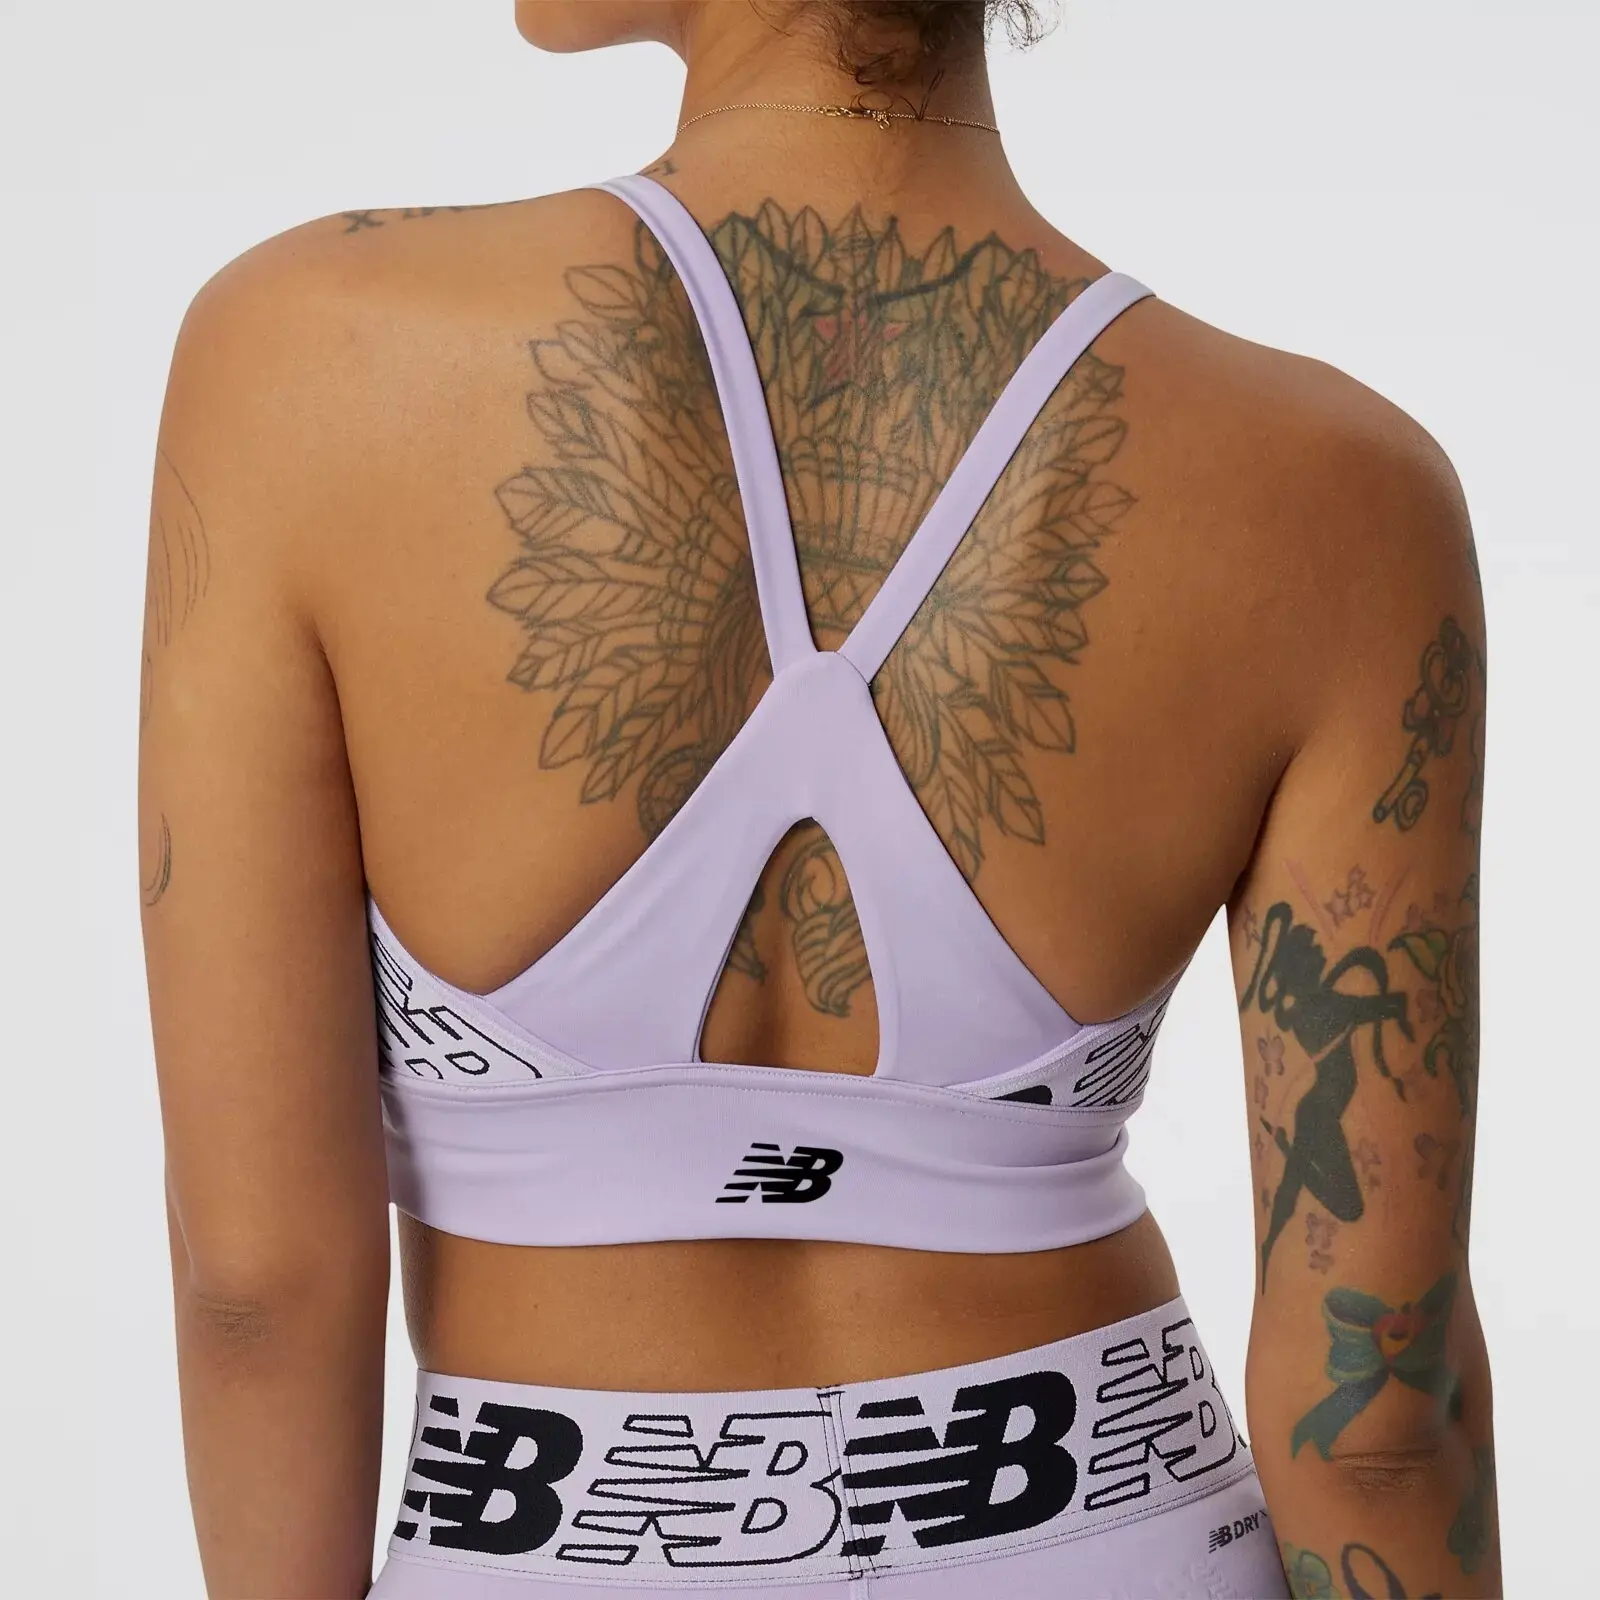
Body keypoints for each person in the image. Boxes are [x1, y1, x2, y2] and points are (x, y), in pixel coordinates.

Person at [138, 2, 1500, 1595]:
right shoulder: (1343, 491)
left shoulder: (307, 356)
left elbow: (257, 1289)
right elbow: (1378, 1413)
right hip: (1113, 1526)